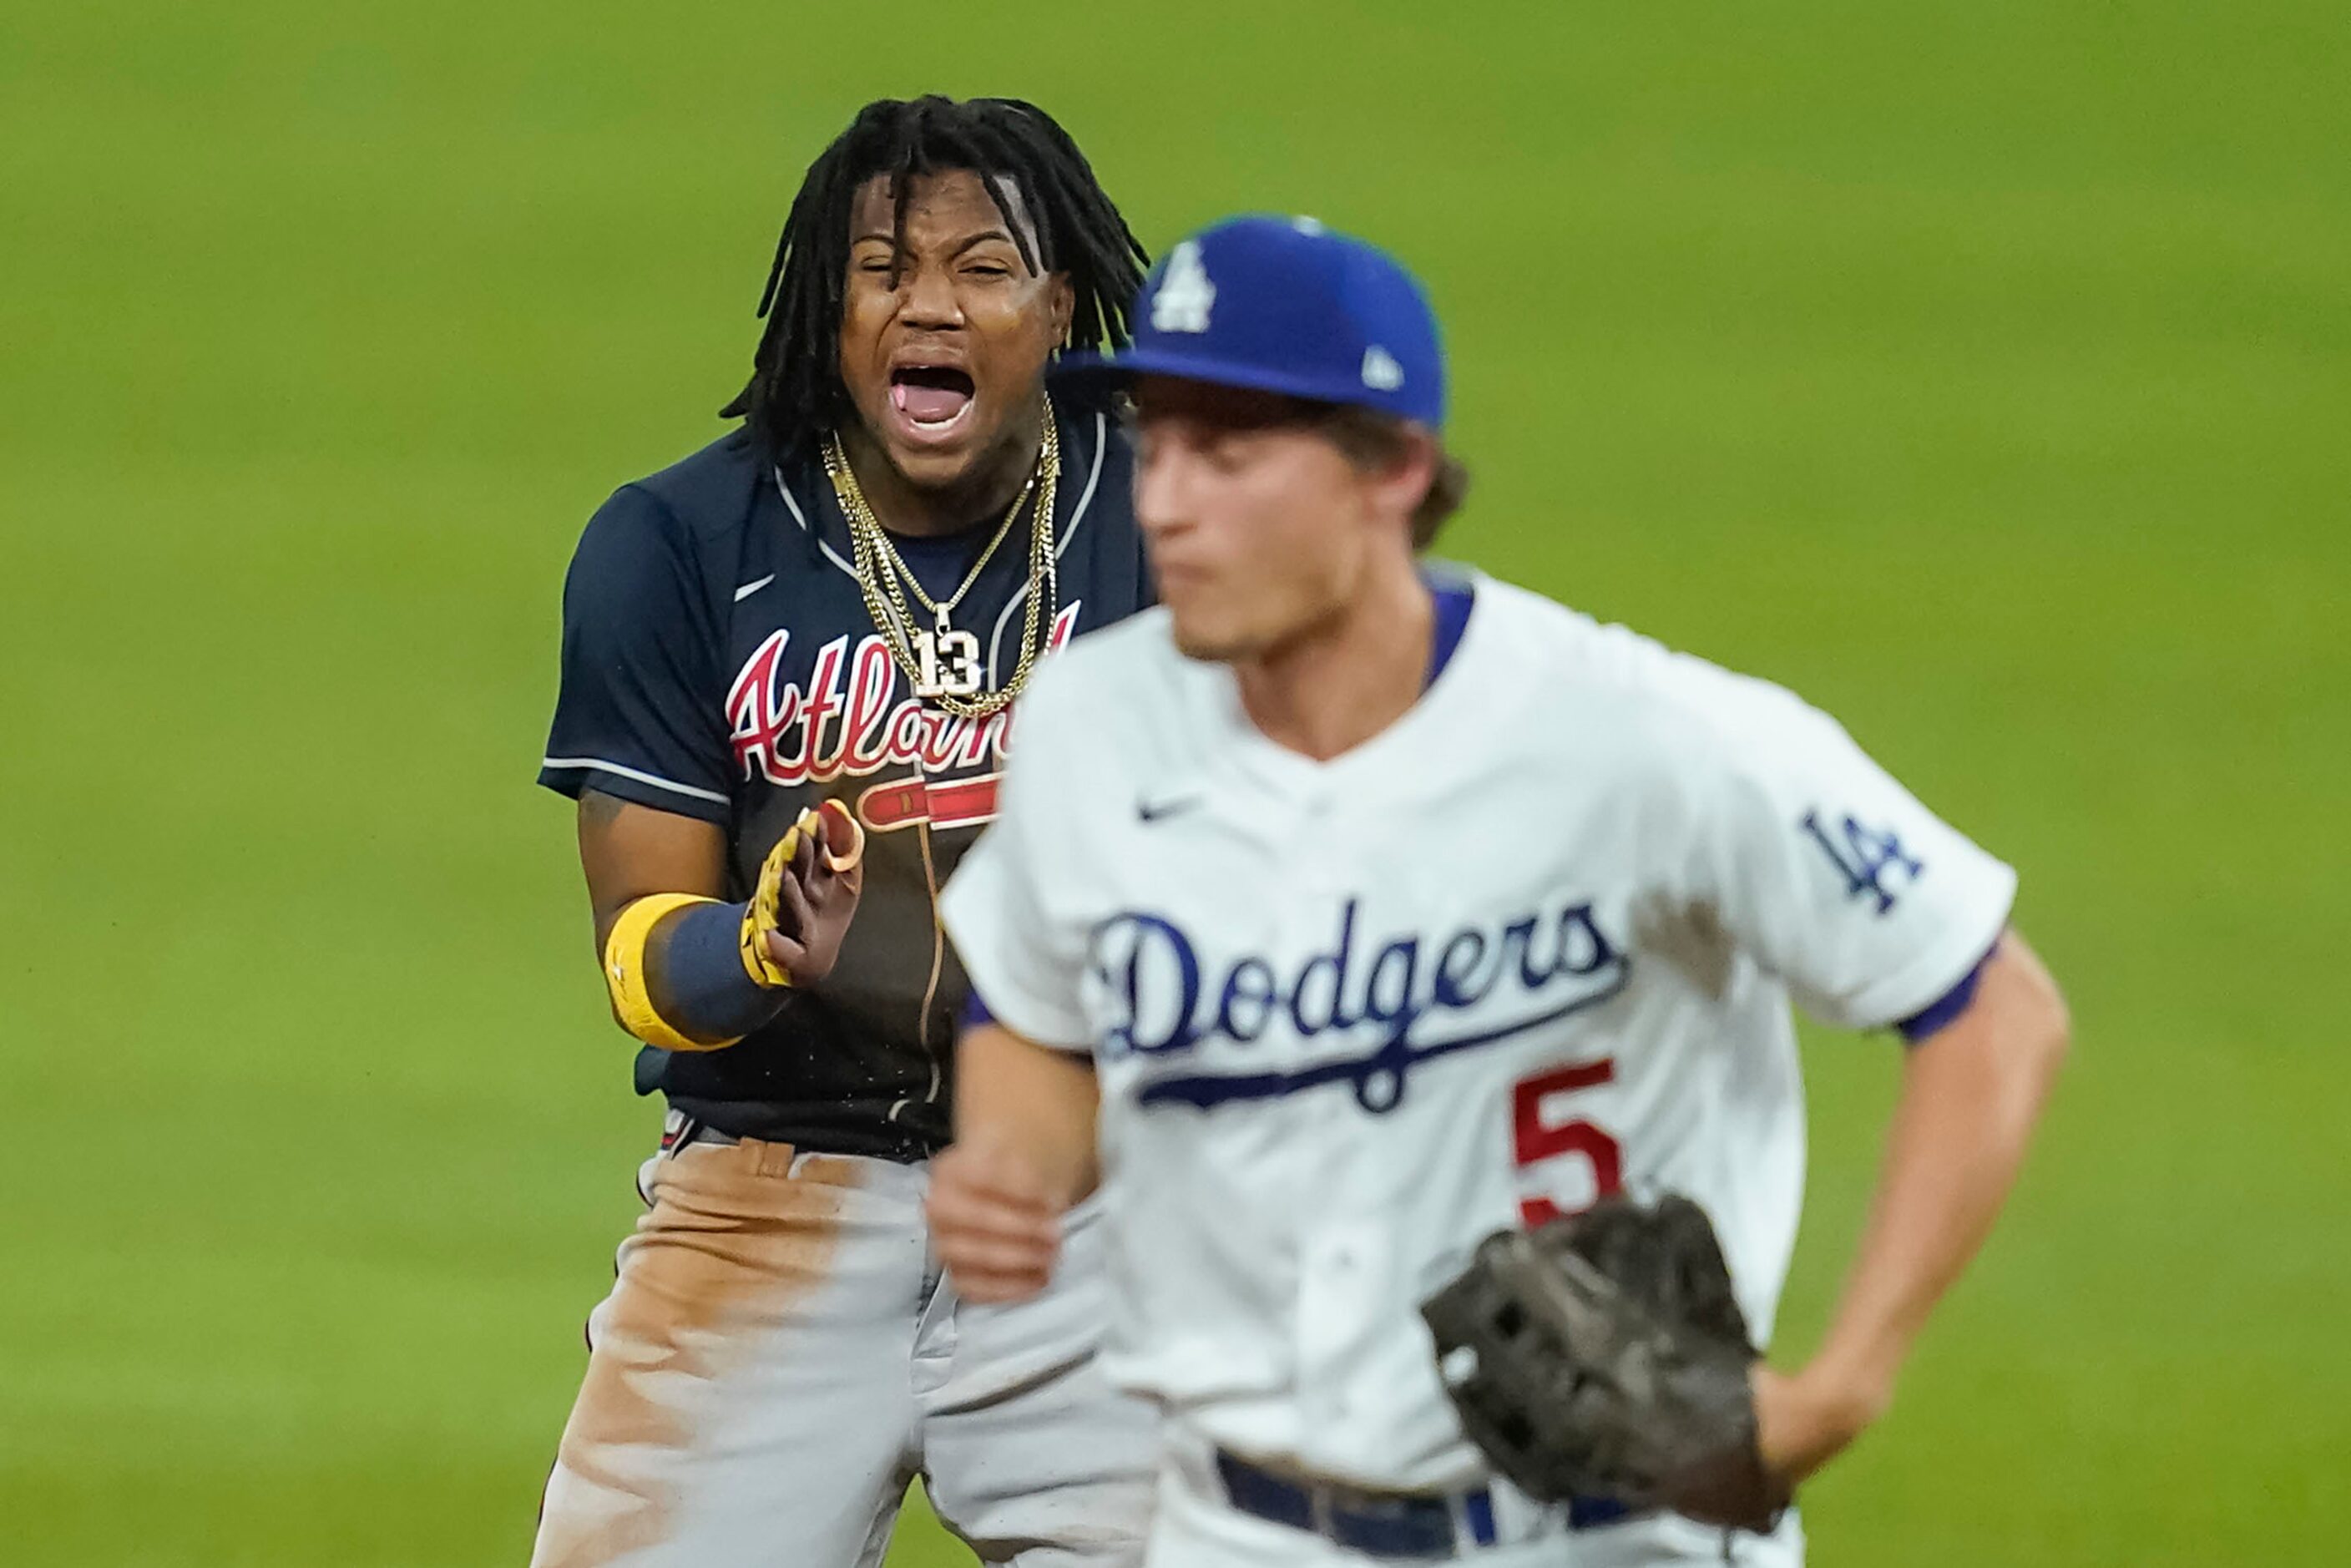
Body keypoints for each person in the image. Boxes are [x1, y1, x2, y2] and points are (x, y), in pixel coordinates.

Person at [928, 215, 2070, 1566]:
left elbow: (1993, 1001)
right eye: (1158, 445)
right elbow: (1031, 1002)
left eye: (1227, 456)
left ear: (1393, 473)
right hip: (1233, 1528)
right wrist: (1014, 1154)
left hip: (1602, 1538)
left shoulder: (1633, 740)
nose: (1165, 502)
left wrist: (1838, 1385)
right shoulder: (1092, 723)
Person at [530, 96, 1160, 1568]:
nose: (927, 305)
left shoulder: (1170, 512)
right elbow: (634, 954)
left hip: (1107, 1207)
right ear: (832, 308)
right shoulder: (686, 543)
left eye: (982, 267)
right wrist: (757, 947)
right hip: (773, 1197)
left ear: (1060, 302)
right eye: (883, 269)